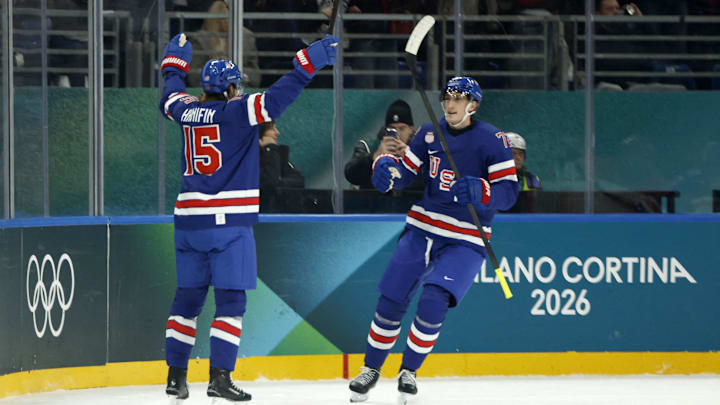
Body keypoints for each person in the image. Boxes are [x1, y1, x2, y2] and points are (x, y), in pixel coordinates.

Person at [159, 31, 337, 402]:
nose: (239, 93)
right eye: (236, 87)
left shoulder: (186, 109)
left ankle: (175, 378)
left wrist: (173, 65)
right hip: (228, 227)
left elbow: (169, 94)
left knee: (186, 302)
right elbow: (276, 100)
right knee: (231, 303)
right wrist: (307, 66)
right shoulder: (236, 112)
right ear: (228, 90)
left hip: (189, 224)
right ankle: (219, 378)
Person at [347, 77, 519, 403]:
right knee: (391, 300)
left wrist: (483, 192)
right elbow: (406, 171)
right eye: (448, 97)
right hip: (423, 226)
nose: (451, 104)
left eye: (459, 98)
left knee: (433, 301)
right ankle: (370, 368)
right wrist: (385, 168)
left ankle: (409, 371)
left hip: (466, 238)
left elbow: (509, 192)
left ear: (474, 104)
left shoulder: (493, 140)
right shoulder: (428, 133)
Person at [344, 100, 422, 191]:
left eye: (402, 128)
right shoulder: (368, 146)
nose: (397, 134)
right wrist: (374, 157)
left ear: (411, 129)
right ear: (385, 129)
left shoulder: (421, 149)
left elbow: (433, 182)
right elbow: (351, 175)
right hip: (372, 202)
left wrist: (410, 159)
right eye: (392, 129)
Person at [258, 121, 305, 212]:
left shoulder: (276, 154)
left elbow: (299, 181)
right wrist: (269, 148)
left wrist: (277, 182)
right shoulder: (248, 160)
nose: (277, 132)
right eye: (272, 129)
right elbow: (269, 183)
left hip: (280, 212)